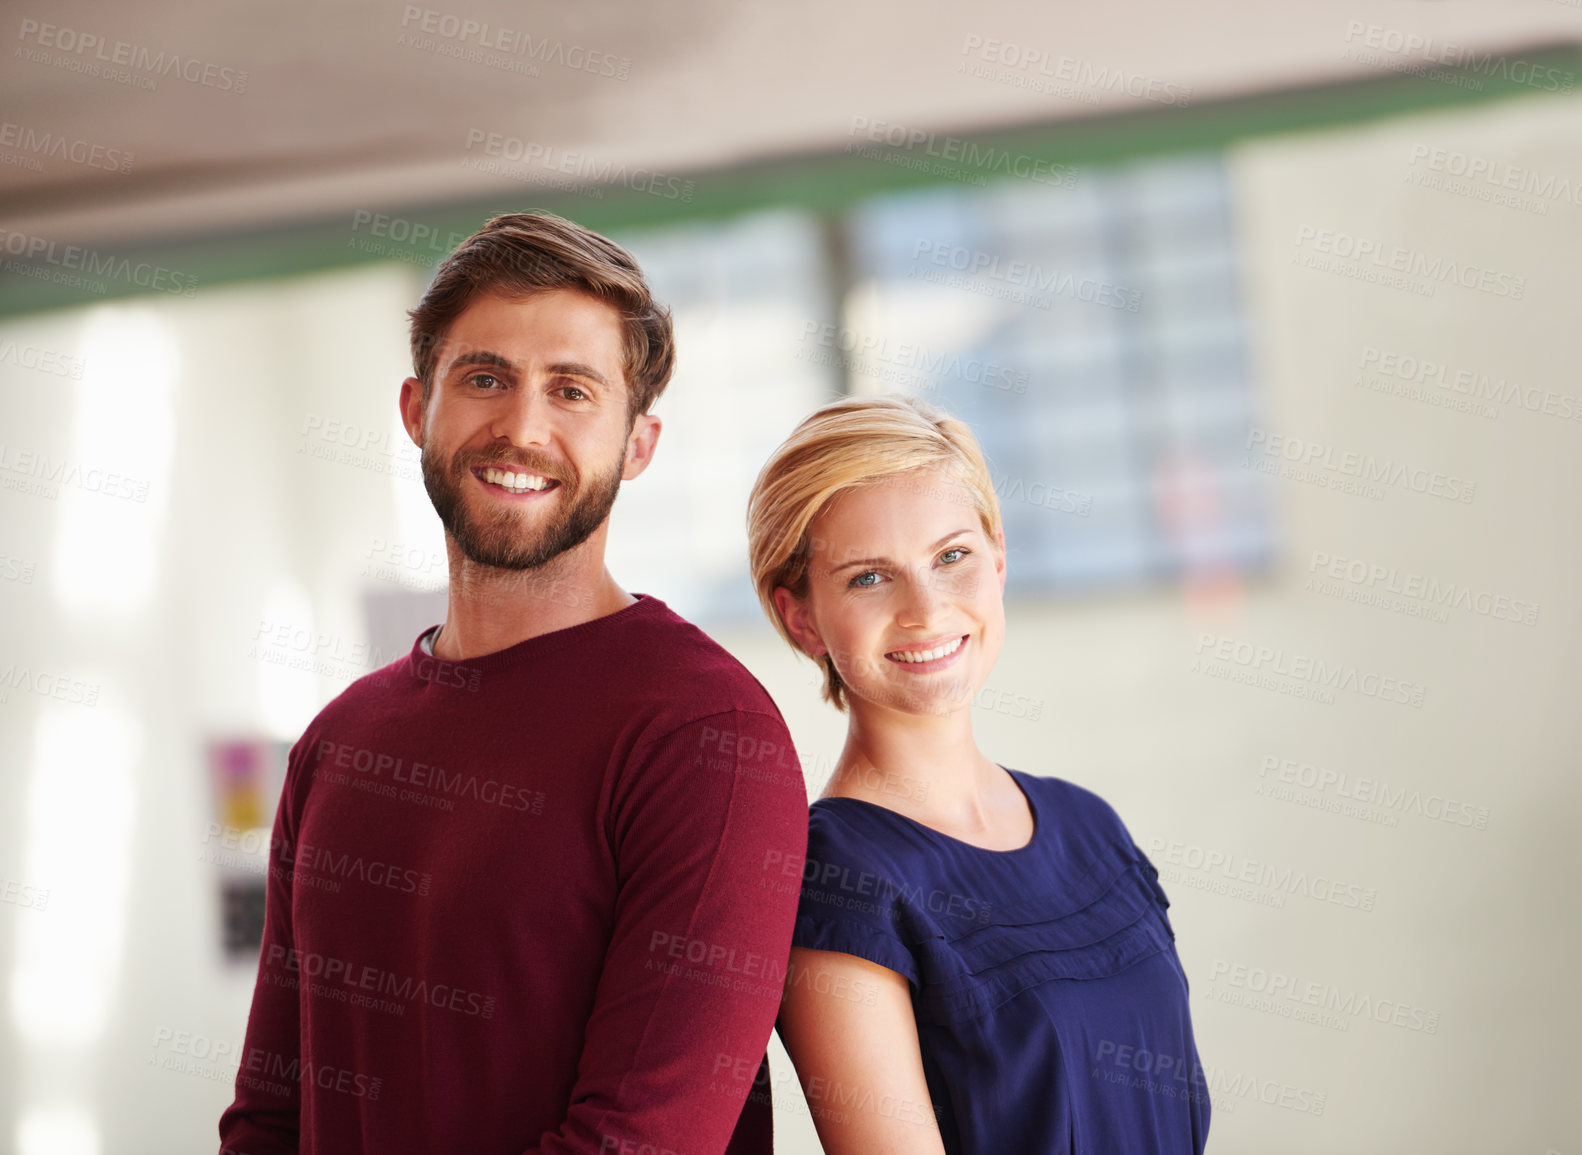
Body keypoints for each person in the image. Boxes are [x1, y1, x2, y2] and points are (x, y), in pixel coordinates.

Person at [219, 211, 808, 1154]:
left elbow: (641, 1143)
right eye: (485, 378)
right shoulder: (339, 742)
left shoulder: (707, 733)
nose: (522, 427)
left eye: (571, 390)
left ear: (638, 443)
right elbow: (270, 1119)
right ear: (418, 410)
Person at [746, 394, 1210, 1154]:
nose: (926, 610)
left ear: (998, 558)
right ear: (799, 616)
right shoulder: (833, 880)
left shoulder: (1089, 826)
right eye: (868, 577)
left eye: (951, 556)